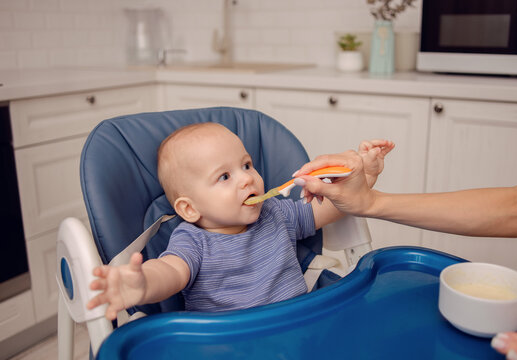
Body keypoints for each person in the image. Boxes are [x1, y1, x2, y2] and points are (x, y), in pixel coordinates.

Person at [86, 123, 392, 320]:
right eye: (224, 176)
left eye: (246, 164)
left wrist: (364, 177)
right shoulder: (193, 240)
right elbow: (170, 272)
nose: (247, 178)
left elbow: (332, 208)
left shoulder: (276, 213)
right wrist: (143, 285)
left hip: (297, 325)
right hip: (230, 346)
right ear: (189, 209)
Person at [292, 145, 517, 360]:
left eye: (251, 166)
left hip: (304, 331)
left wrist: (363, 185)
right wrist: (367, 200)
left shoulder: (277, 217)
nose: (250, 178)